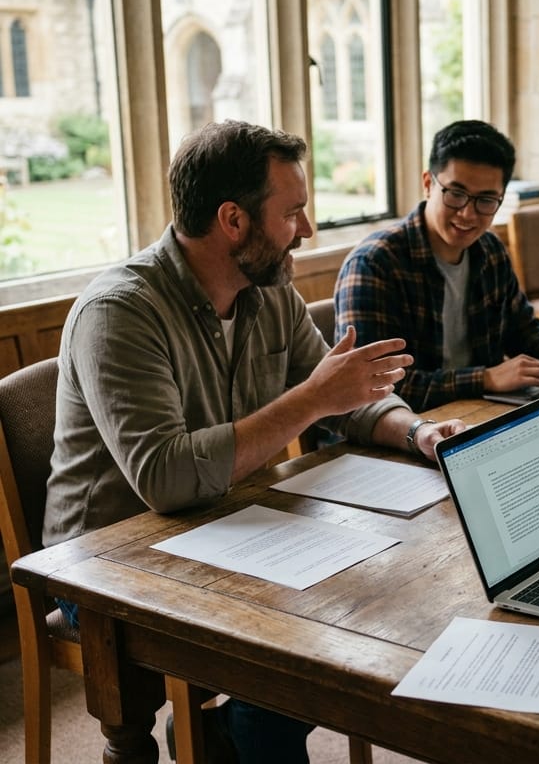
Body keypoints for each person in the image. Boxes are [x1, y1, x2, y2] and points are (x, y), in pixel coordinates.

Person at [43, 120, 466, 763]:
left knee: (368, 586)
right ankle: (237, 741)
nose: (307, 229)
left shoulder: (268, 291)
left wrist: (417, 430)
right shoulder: (120, 312)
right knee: (286, 634)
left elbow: (343, 394)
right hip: (109, 564)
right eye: (292, 212)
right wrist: (314, 398)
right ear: (233, 221)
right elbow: (166, 479)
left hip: (228, 526)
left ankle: (228, 738)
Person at [334, 119, 539, 412]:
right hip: (407, 427)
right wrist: (485, 379)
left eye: (486, 200)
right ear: (428, 184)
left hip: (481, 414)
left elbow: (521, 327)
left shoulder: (490, 250)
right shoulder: (374, 265)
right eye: (456, 194)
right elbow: (374, 386)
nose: (468, 214)